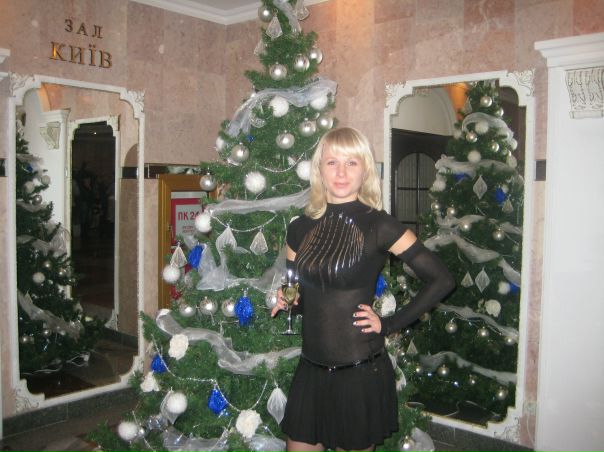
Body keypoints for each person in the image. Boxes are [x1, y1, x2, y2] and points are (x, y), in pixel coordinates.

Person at [271, 127, 455, 452]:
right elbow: (298, 293)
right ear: (320, 169)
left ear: (365, 170)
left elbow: (441, 279)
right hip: (310, 372)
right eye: (332, 162)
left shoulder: (380, 225)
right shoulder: (299, 228)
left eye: (351, 163)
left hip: (359, 375)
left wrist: (389, 324)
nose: (341, 172)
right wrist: (289, 302)